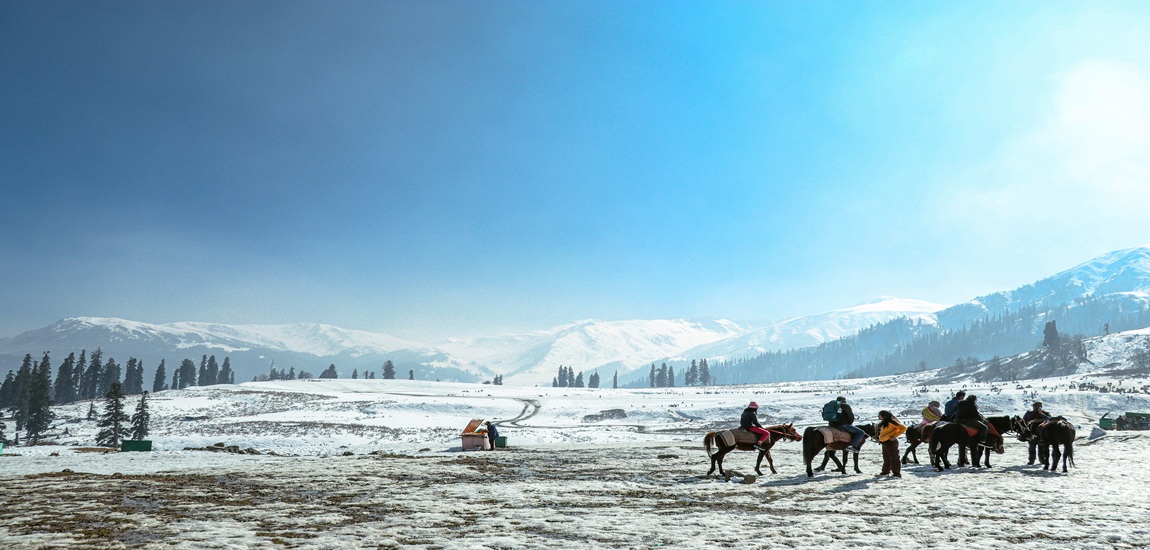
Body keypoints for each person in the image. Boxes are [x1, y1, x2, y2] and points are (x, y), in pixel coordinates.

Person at [877, 410, 907, 478]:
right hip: (884, 442)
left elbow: (903, 428)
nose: (878, 416)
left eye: (880, 415)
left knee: (894, 458)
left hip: (890, 442)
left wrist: (894, 436)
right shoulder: (883, 423)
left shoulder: (892, 422)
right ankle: (885, 472)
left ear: (884, 416)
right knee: (886, 458)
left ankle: (896, 474)